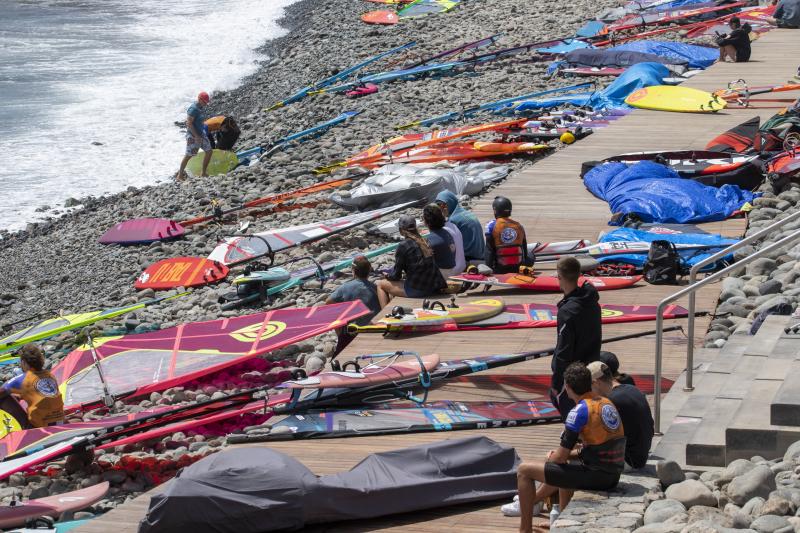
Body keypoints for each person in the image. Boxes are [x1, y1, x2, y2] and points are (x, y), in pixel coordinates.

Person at [511, 363, 626, 533]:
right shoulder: (606, 402)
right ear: (590, 383)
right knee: (565, 467)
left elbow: (559, 458)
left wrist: (553, 456)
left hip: (597, 477)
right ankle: (560, 524)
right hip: (613, 474)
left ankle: (525, 530)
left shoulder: (579, 411)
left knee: (524, 470)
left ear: (567, 387)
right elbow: (597, 447)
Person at [551, 256, 602, 419]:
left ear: (560, 277)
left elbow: (563, 349)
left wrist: (556, 383)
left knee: (558, 400)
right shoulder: (592, 301)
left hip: (575, 375)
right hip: (592, 368)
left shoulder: (567, 312)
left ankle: (576, 438)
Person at [588, 361, 654, 469]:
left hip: (629, 461)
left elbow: (600, 441)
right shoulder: (632, 388)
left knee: (575, 461)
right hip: (642, 453)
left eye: (589, 386)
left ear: (596, 383)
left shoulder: (609, 402)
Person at [376, 215, 446, 307]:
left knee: (381, 285)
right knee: (398, 283)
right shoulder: (425, 241)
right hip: (433, 286)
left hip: (418, 289)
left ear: (401, 230)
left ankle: (384, 314)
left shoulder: (403, 245)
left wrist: (387, 276)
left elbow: (396, 275)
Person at [326, 255, 382, 353]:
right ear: (369, 271)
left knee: (336, 312)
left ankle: (340, 336)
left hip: (351, 334)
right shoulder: (375, 288)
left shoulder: (345, 287)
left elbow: (328, 302)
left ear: (353, 271)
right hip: (373, 330)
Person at [0, 344, 64, 427]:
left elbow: (2, 390)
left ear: (24, 362)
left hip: (38, 427)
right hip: (59, 422)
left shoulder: (24, 378)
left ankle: (15, 428)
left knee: (4, 397)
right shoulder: (50, 375)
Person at [484, 196, 532, 274]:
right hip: (518, 268)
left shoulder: (491, 225)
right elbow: (525, 250)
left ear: (495, 211)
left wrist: (488, 269)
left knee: (488, 248)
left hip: (499, 269)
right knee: (531, 255)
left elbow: (489, 250)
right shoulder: (519, 226)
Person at [435, 191, 486, 262]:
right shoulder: (465, 213)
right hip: (481, 254)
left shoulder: (453, 220)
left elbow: (447, 242)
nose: (438, 208)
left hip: (469, 257)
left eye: (439, 204)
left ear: (447, 204)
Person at [176, 91, 213, 181]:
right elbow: (189, 123)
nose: (206, 104)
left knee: (209, 151)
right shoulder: (193, 109)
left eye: (206, 102)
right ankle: (179, 176)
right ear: (199, 99)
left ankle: (203, 173)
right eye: (204, 102)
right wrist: (196, 136)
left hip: (201, 134)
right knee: (188, 155)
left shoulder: (200, 107)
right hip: (193, 136)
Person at [423, 203, 464, 278]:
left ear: (426, 221)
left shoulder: (430, 239)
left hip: (444, 276)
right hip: (456, 268)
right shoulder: (449, 231)